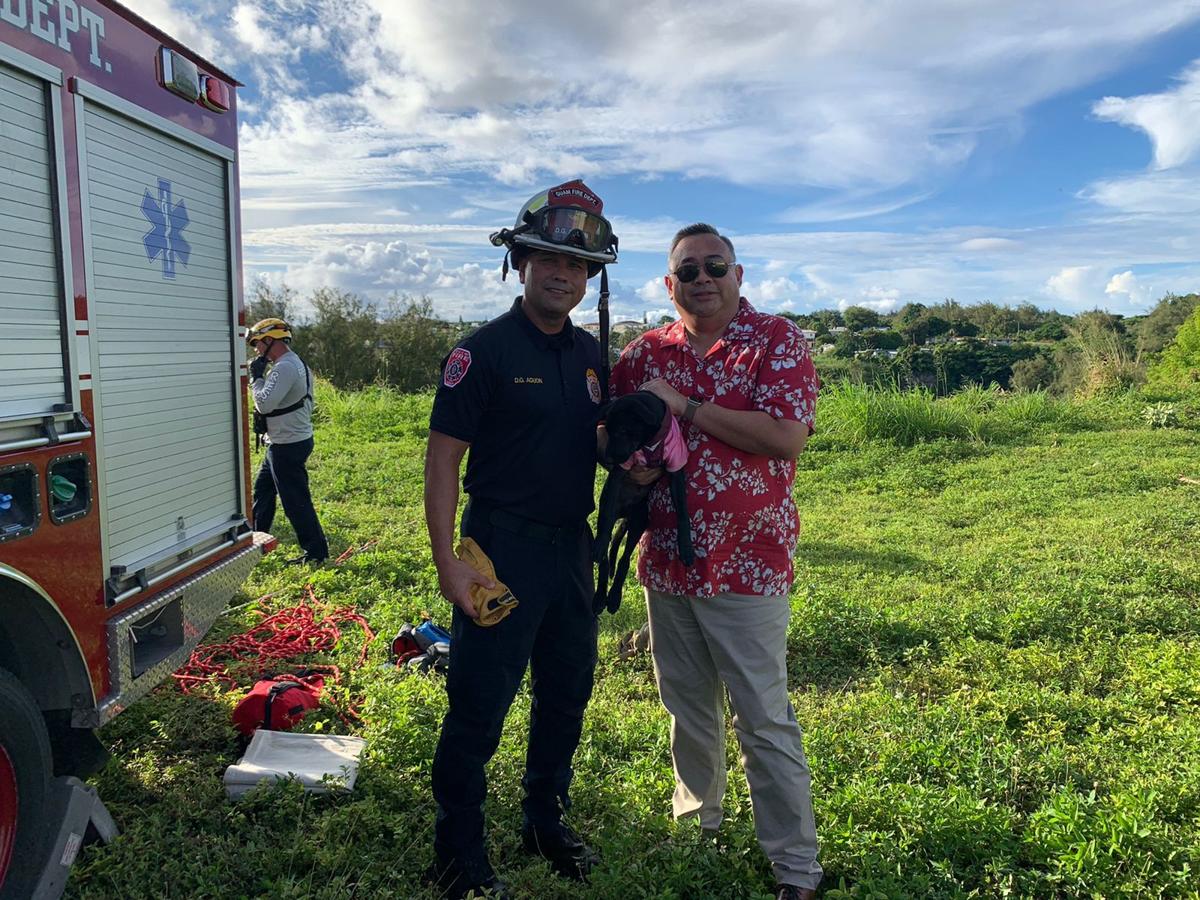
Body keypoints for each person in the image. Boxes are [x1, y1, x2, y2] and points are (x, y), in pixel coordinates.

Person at [610, 223, 823, 900]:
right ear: (668, 284)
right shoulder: (643, 354)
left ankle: (796, 866)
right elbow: (610, 429)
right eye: (688, 271)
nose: (702, 279)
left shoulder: (775, 341)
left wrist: (688, 407)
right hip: (667, 561)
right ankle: (698, 824)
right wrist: (630, 464)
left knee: (762, 716)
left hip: (747, 563)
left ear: (738, 275)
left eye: (715, 267)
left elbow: (785, 437)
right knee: (686, 707)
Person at [423, 180, 618, 900]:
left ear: (589, 277)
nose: (563, 274)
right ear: (521, 264)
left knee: (566, 695)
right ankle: (456, 855)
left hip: (572, 550)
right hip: (500, 550)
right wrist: (448, 563)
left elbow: (593, 445)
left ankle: (543, 822)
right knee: (479, 706)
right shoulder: (483, 352)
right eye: (549, 260)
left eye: (577, 265)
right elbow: (443, 461)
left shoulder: (592, 356)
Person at [247, 318, 328, 565]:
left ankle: (316, 552)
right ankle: (255, 539)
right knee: (263, 491)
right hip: (283, 441)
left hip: (287, 444)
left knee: (295, 501)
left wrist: (255, 378)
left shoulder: (285, 367)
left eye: (258, 344)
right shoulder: (293, 363)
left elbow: (264, 403)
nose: (256, 350)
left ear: (270, 340)